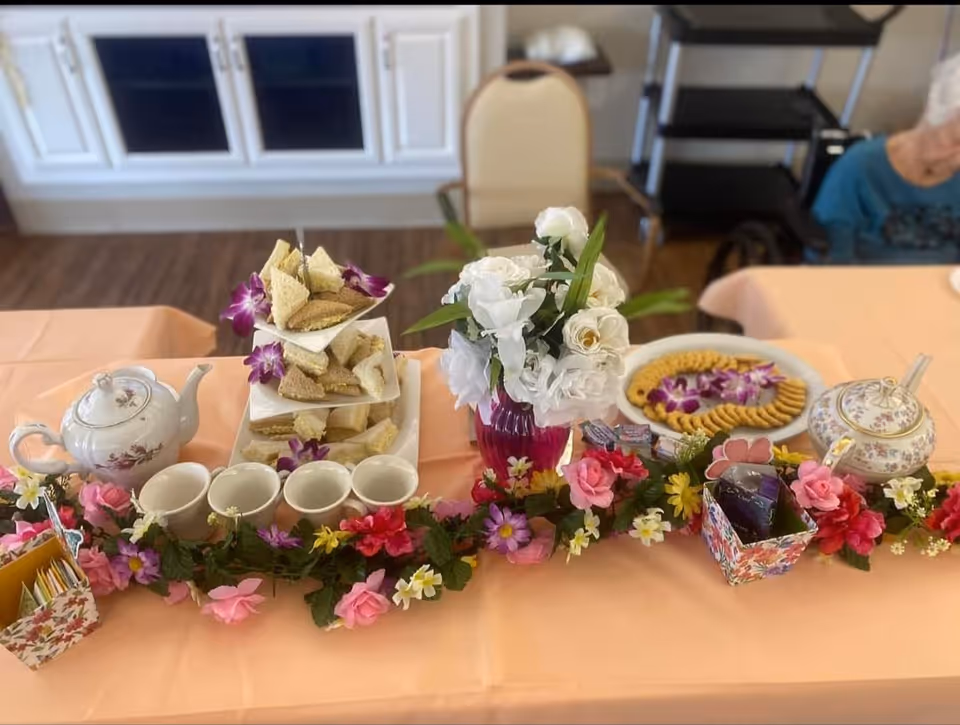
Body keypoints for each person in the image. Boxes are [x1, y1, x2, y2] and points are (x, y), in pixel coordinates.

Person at [811, 111, 960, 264]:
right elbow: (835, 249)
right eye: (955, 141)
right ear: (926, 123)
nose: (957, 159)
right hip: (871, 277)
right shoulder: (861, 163)